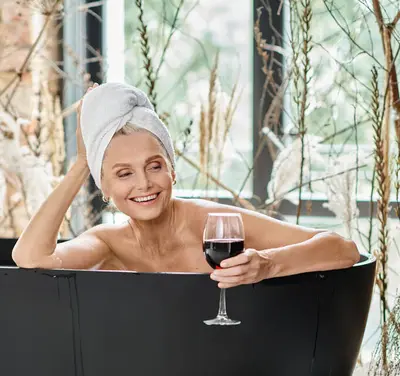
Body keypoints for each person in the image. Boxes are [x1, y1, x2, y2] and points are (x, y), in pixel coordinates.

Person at [12, 82, 360, 289]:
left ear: (173, 171)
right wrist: (80, 165)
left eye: (154, 166)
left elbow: (342, 249)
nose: (144, 183)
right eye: (123, 174)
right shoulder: (106, 243)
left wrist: (267, 264)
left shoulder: (213, 224)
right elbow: (31, 257)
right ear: (104, 188)